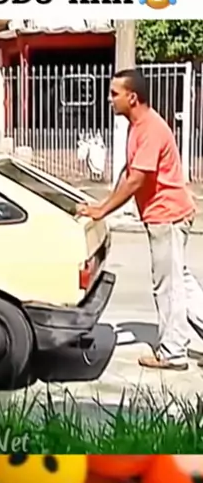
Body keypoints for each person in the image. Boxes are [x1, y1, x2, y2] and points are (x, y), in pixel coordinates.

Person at [76, 68, 203, 372]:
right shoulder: (138, 125)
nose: (110, 99)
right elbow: (129, 173)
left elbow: (136, 180)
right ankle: (175, 347)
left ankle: (173, 353)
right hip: (167, 214)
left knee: (168, 287)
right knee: (180, 281)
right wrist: (103, 202)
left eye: (114, 94)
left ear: (132, 97)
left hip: (167, 215)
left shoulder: (150, 129)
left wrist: (102, 210)